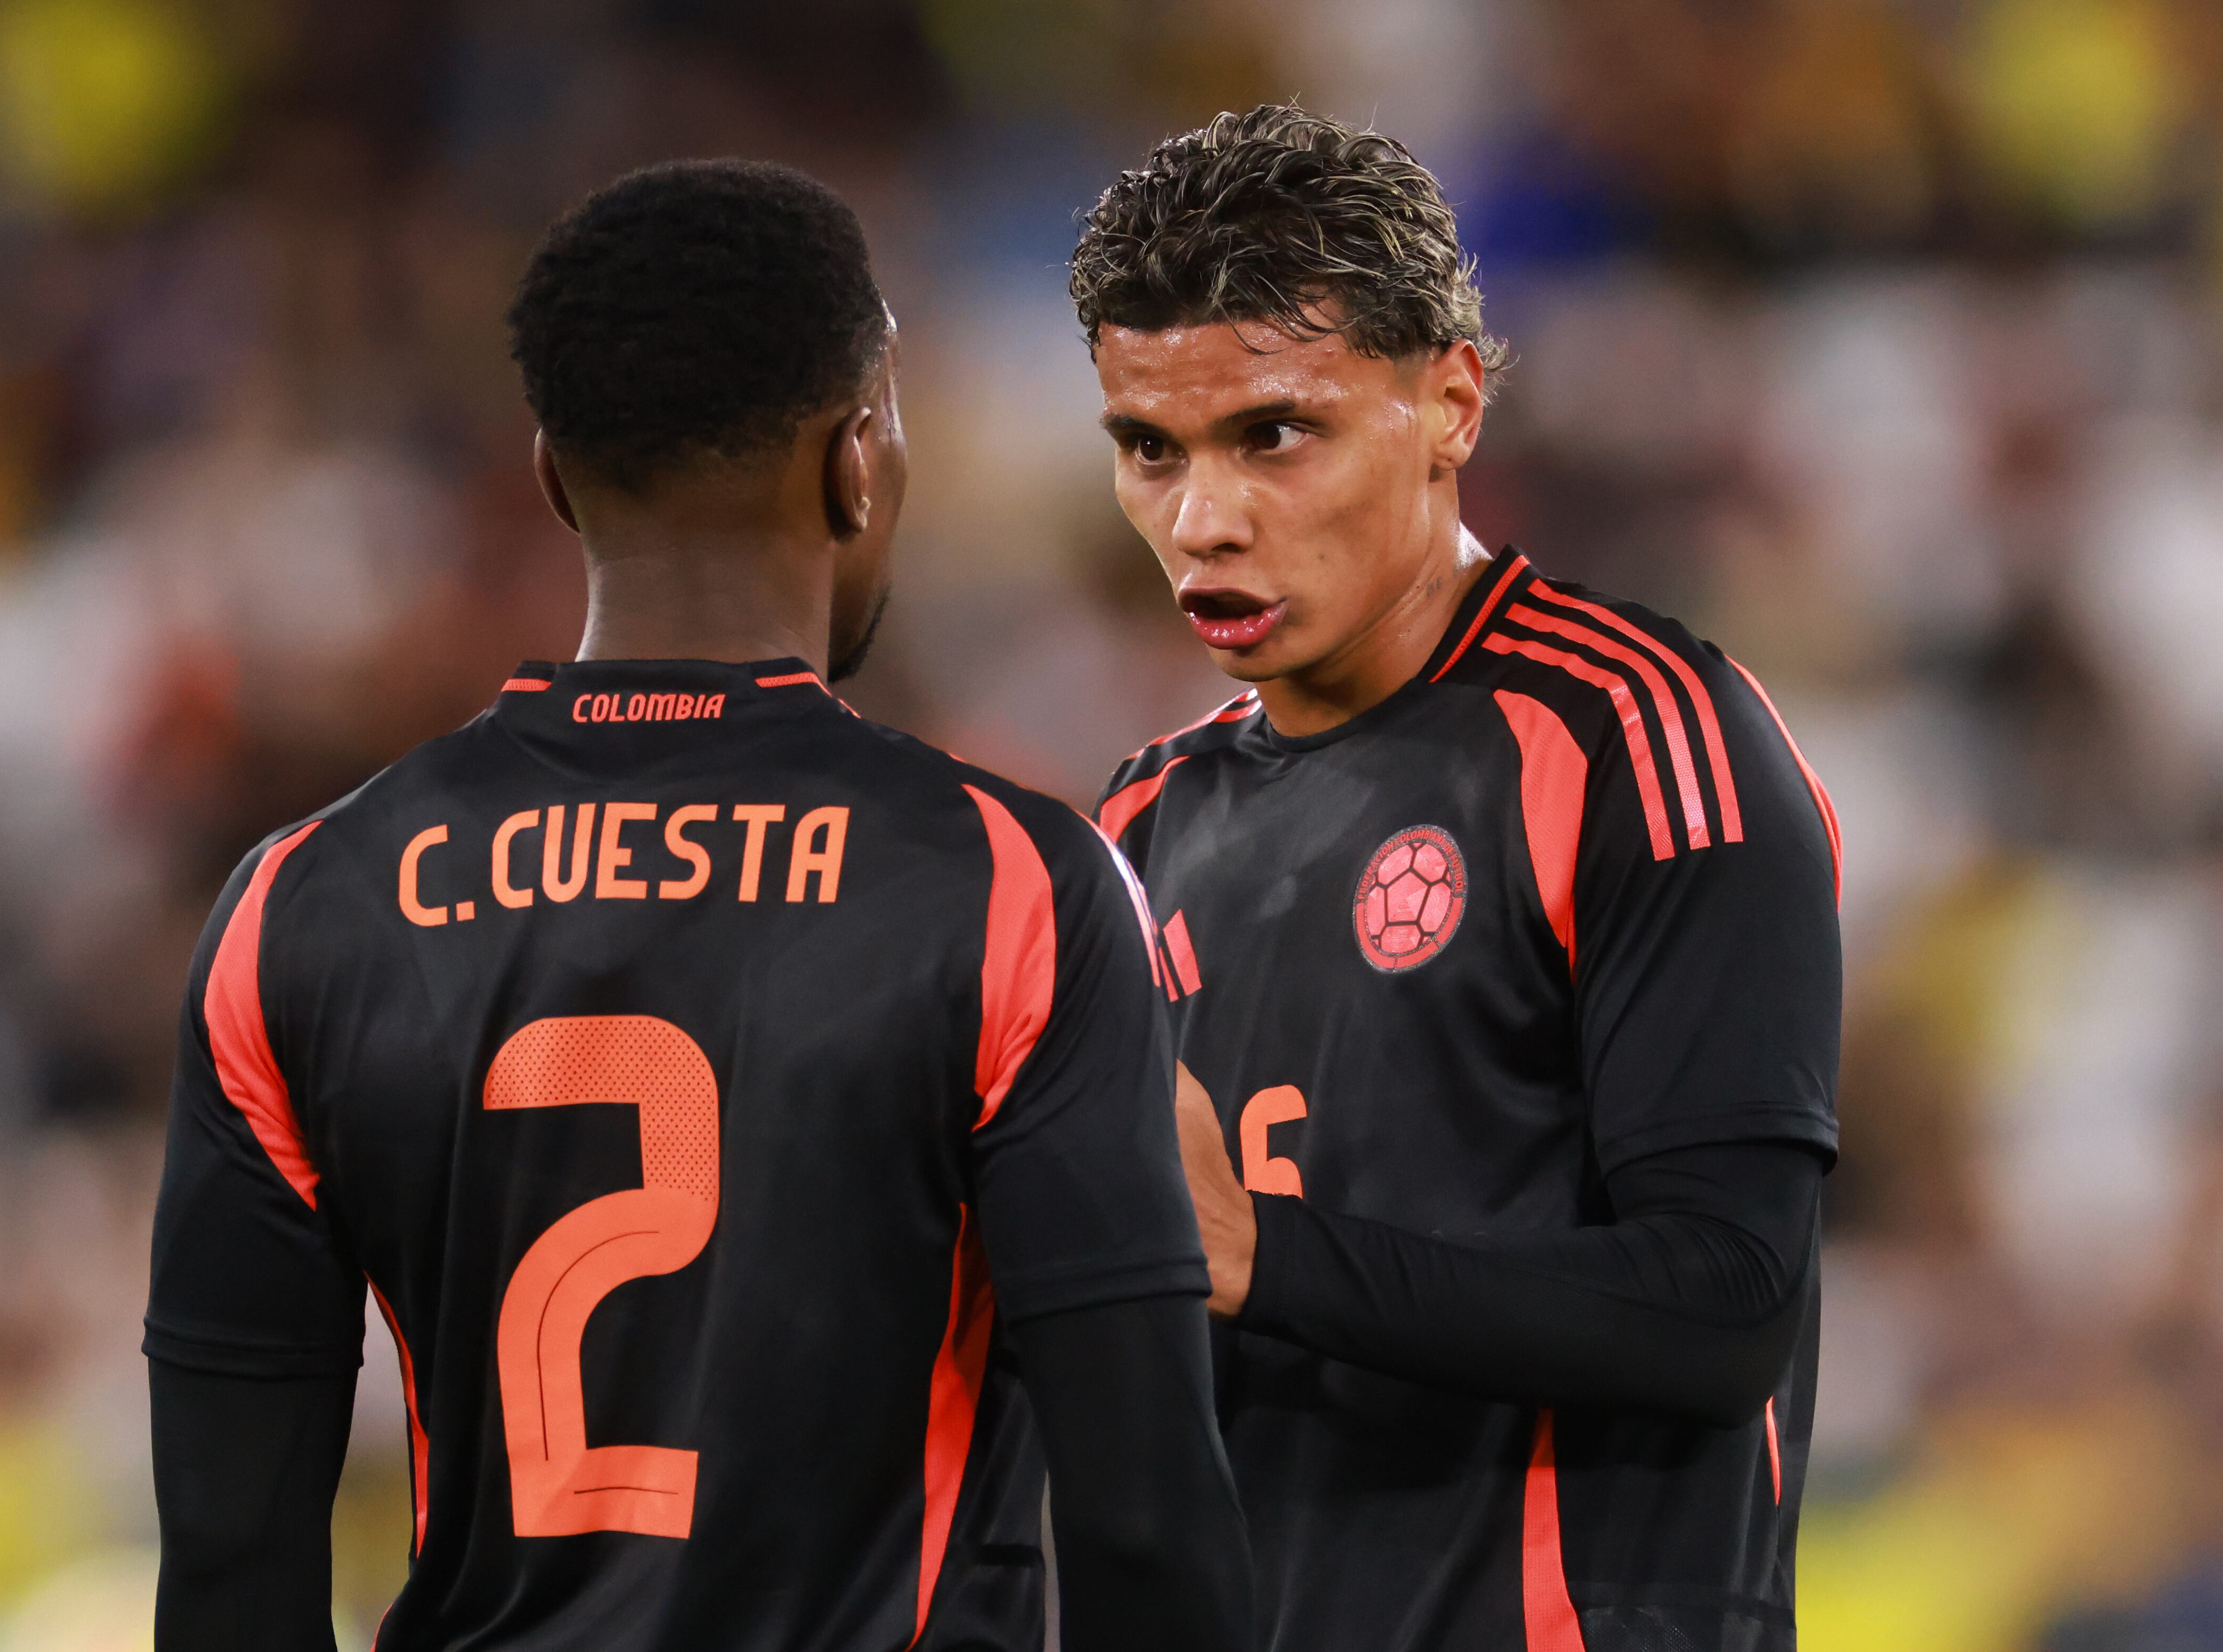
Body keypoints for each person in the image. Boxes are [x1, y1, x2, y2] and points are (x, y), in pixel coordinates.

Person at [144, 160, 1251, 1652]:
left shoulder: (297, 907)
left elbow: (229, 1566)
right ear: (857, 461)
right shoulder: (1012, 887)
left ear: (553, 474)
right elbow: (1147, 1528)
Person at [1073, 106, 1842, 1652]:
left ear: (1450, 404)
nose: (1202, 519)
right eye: (1150, 449)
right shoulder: (1144, 820)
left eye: (1272, 434)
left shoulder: (1637, 737)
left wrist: (1259, 1254)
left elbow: (1727, 1300)